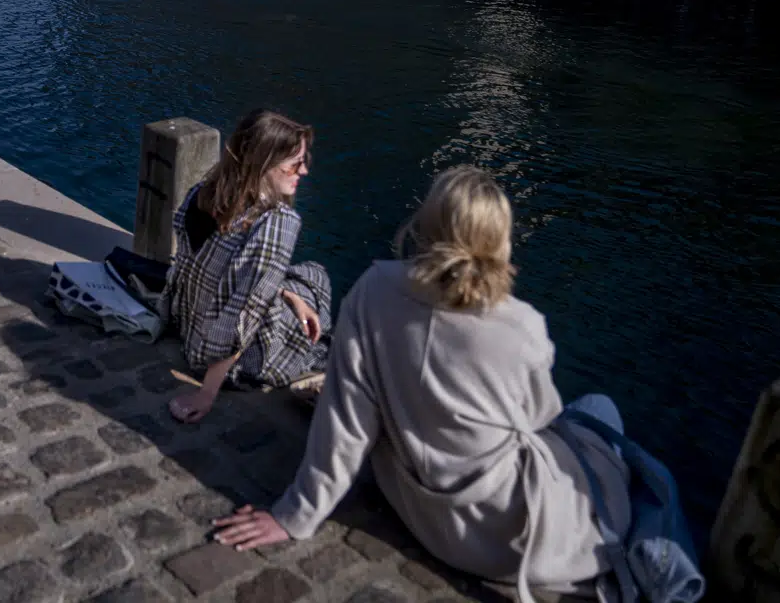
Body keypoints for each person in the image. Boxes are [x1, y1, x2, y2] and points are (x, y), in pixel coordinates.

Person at [212, 166, 633, 603]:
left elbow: (345, 424)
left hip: (424, 517)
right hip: (505, 539)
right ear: (500, 241)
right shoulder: (522, 326)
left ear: (427, 225)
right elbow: (541, 418)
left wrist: (294, 516)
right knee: (599, 409)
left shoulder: (372, 291)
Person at [161, 109, 330, 424]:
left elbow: (219, 274)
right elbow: (244, 315)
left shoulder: (203, 193)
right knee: (315, 277)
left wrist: (289, 298)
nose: (304, 171)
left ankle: (295, 298)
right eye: (295, 163)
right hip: (224, 357)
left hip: (187, 326)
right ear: (264, 165)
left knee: (297, 287)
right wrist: (206, 394)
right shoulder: (278, 222)